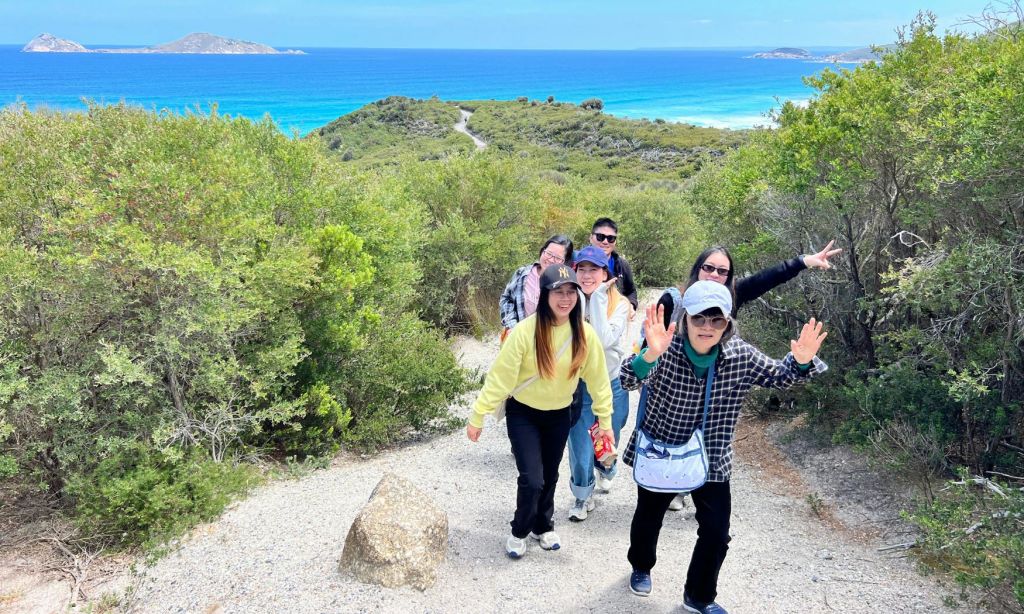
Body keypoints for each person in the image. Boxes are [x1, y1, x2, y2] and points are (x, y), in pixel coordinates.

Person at [621, 281, 828, 612]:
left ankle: (699, 596)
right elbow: (629, 380)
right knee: (649, 517)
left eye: (716, 320)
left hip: (712, 457)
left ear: (727, 324)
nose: (707, 327)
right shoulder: (666, 348)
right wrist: (649, 355)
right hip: (663, 451)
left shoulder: (740, 355)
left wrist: (801, 362)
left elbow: (780, 377)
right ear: (685, 319)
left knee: (717, 533)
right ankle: (641, 565)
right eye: (699, 318)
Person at [653, 241, 842, 511]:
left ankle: (689, 485)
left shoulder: (733, 296)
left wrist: (804, 261)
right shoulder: (674, 300)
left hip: (717, 381)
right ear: (697, 270)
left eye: (723, 272)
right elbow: (651, 347)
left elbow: (766, 279)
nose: (715, 275)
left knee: (708, 437)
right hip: (675, 384)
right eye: (709, 268)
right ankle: (668, 483)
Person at [467, 263, 614, 559]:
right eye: (558, 292)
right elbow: (500, 378)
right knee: (531, 477)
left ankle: (543, 526)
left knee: (550, 475)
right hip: (524, 414)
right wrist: (477, 415)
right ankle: (519, 530)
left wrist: (606, 421)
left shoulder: (584, 335)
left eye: (571, 291)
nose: (565, 298)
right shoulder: (525, 331)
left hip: (560, 414)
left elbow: (599, 381)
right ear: (544, 295)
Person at [564, 246, 631, 521]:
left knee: (609, 434)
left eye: (594, 269)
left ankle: (605, 469)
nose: (587, 275)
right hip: (578, 386)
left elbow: (602, 341)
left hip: (610, 383)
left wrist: (599, 299)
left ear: (606, 273)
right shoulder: (568, 300)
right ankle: (582, 495)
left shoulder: (620, 304)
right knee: (579, 444)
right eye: (582, 269)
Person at [499, 235, 574, 334]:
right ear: (543, 251)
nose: (551, 260)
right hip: (520, 335)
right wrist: (512, 326)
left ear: (565, 262)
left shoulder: (566, 284)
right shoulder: (523, 274)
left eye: (558, 258)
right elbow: (507, 299)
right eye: (549, 253)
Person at [589, 218, 638, 311]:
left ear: (615, 241)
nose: (605, 241)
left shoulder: (622, 265)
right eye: (600, 237)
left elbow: (631, 291)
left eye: (611, 238)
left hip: (615, 319)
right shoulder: (578, 263)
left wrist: (631, 305)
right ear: (591, 238)